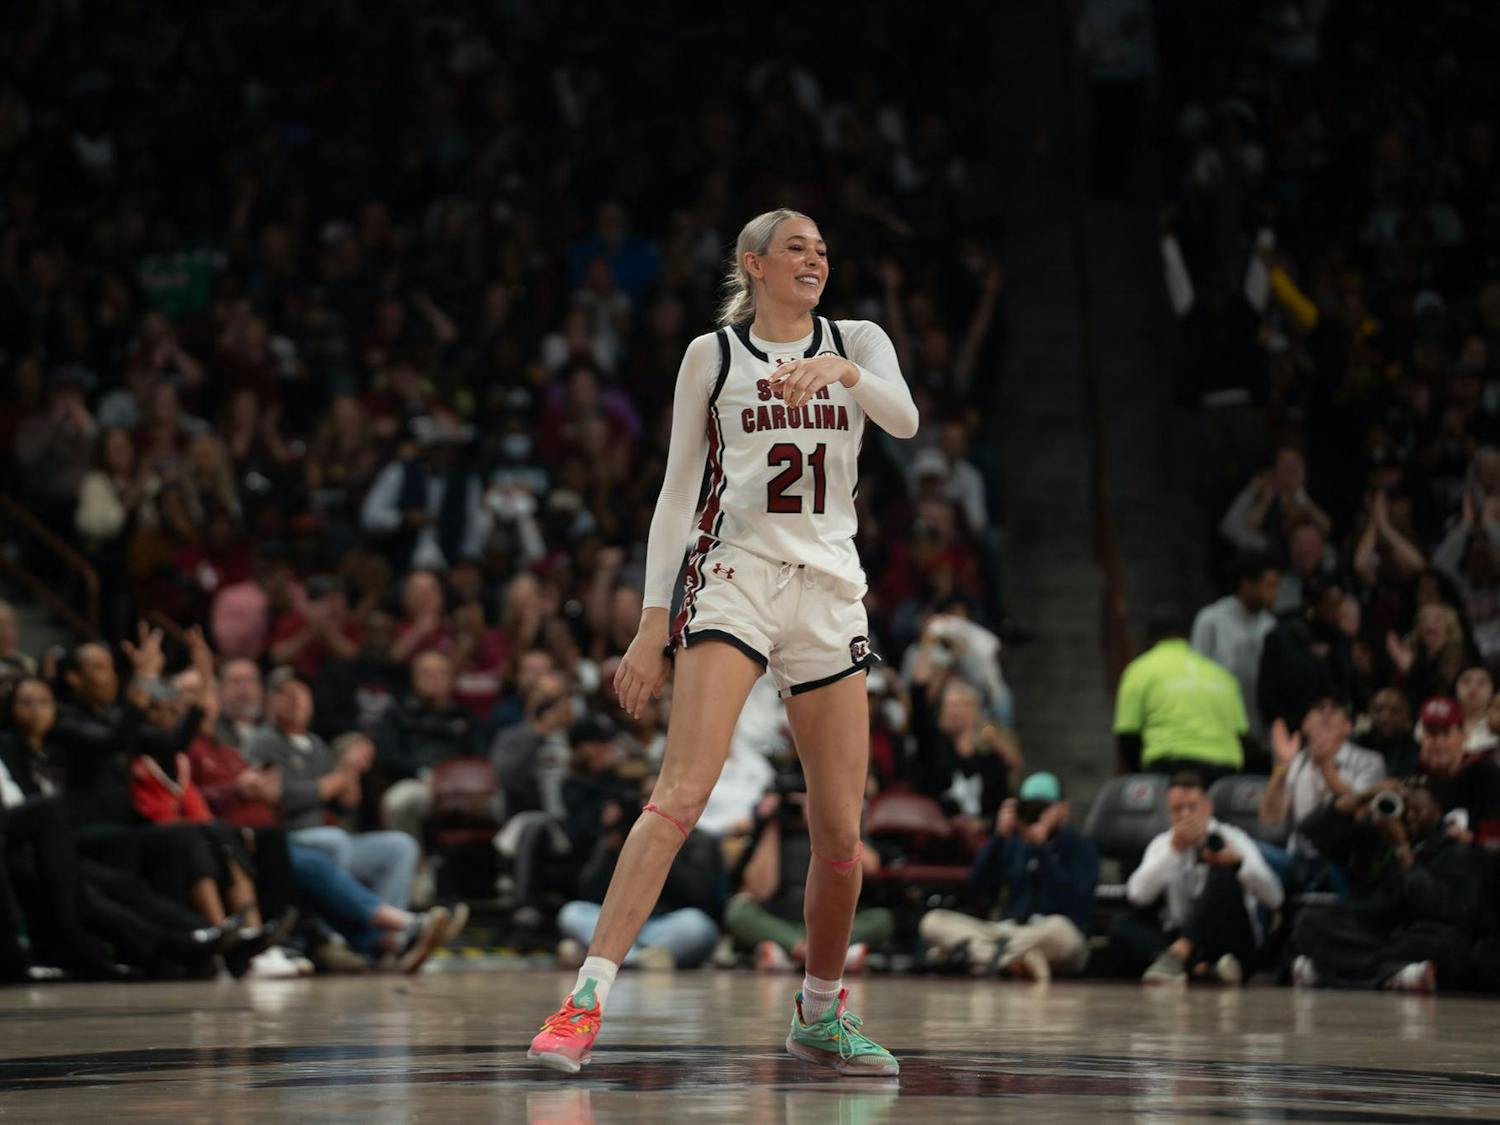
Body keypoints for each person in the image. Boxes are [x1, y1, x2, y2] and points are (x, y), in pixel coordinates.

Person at [528, 209, 918, 1077]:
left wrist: (839, 370)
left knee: (840, 836)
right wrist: (649, 621)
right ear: (756, 264)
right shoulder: (714, 355)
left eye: (822, 247)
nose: (815, 257)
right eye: (796, 247)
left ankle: (819, 1013)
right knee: (679, 792)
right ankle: (584, 997)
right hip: (735, 576)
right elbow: (675, 496)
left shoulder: (858, 338)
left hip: (828, 592)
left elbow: (905, 420)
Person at [1291, 783, 1487, 993]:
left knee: (1447, 944)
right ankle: (1393, 974)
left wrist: (1403, 852)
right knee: (1308, 922)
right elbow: (1310, 831)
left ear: (1437, 812)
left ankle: (1329, 970)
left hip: (1420, 934)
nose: (1411, 817)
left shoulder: (1455, 851)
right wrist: (1363, 796)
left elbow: (1438, 906)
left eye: (1419, 810)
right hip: (1379, 932)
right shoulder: (1380, 837)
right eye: (1407, 809)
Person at [917, 771, 1098, 982]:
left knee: (1062, 932)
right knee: (933, 921)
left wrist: (1041, 849)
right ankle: (1015, 962)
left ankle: (973, 956)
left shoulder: (1080, 847)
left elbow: (1077, 904)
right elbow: (976, 887)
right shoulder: (1011, 843)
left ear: (1063, 810)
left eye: (1043, 808)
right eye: (1028, 807)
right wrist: (998, 838)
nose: (1035, 814)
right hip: (1005, 932)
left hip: (1046, 933)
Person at [1115, 772, 1283, 985]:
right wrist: (1173, 851)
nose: (1185, 816)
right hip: (1178, 931)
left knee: (1223, 873)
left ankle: (1181, 958)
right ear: (1168, 813)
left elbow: (1275, 898)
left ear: (1207, 808)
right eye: (1177, 810)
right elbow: (1136, 895)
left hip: (1230, 936)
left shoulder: (1233, 838)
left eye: (1192, 808)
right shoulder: (1163, 844)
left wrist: (1238, 864)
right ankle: (1200, 968)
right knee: (1124, 929)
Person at [724, 772, 892, 975]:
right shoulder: (775, 829)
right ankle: (817, 953)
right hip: (782, 921)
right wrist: (773, 826)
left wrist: (822, 820)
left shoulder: (841, 819)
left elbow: (871, 866)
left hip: (832, 924)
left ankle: (792, 955)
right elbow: (761, 889)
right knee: (738, 911)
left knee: (882, 918)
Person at [1258, 694, 1384, 891]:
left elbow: (1359, 811)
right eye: (1319, 707)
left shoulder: (1369, 761)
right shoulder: (1298, 761)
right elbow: (1270, 819)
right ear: (1306, 723)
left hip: (1342, 865)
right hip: (1296, 860)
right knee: (1247, 859)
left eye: (1335, 708)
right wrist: (1281, 769)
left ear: (1347, 726)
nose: (1326, 712)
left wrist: (1326, 765)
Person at [1113, 608, 1251, 784]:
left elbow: (1127, 736)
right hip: (1224, 772)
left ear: (1150, 638)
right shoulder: (1222, 675)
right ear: (1188, 636)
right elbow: (1242, 736)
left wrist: (1143, 775)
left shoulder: (1140, 670)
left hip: (1169, 770)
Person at [1190, 552, 1280, 738]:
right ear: (1248, 584)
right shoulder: (1211, 621)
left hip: (1260, 730)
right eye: (1268, 585)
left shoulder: (1270, 625)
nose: (1274, 593)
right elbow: (1195, 676)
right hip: (1219, 730)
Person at [1412, 696, 1500, 845]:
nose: (1438, 743)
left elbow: (1495, 840)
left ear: (1463, 735)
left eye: (1446, 733)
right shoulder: (1415, 773)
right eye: (1431, 734)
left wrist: (1472, 840)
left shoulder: (1486, 774)